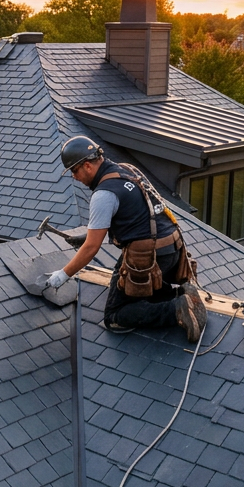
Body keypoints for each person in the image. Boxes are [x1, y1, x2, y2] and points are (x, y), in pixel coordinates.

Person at [46, 136, 207, 341]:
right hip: (173, 248)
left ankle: (176, 310)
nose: (74, 177)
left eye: (74, 171)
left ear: (87, 165)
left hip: (149, 256)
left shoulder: (103, 194)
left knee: (115, 315)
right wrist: (87, 235)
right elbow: (137, 213)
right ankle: (180, 296)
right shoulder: (127, 170)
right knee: (134, 288)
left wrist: (63, 274)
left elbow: (92, 248)